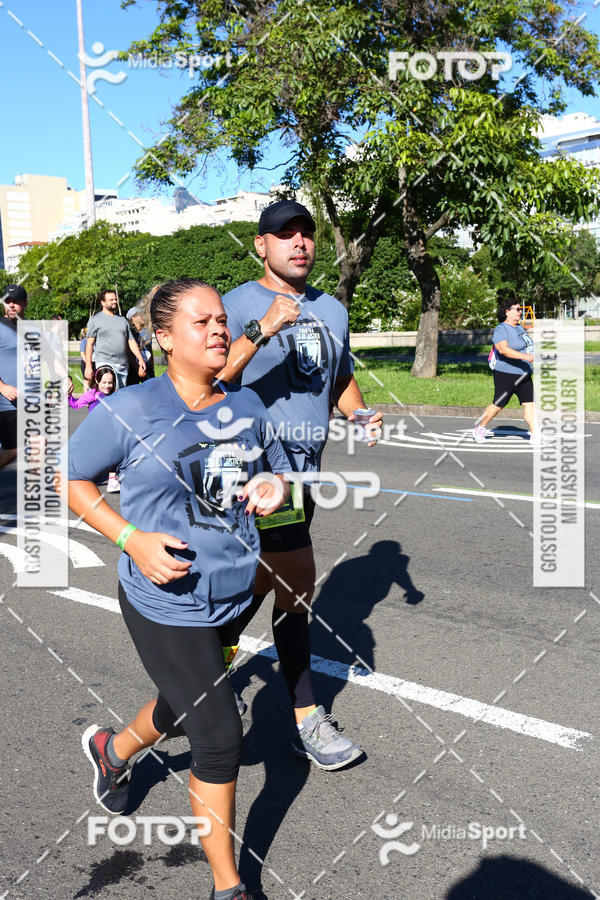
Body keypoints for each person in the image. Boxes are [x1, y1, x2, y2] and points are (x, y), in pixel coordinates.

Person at [68, 278, 290, 900]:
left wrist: (272, 488)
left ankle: (113, 751)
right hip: (165, 599)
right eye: (202, 322)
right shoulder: (129, 409)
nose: (220, 329)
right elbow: (69, 478)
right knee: (219, 735)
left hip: (231, 594)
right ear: (163, 338)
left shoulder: (245, 407)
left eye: (222, 319)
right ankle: (228, 886)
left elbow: (263, 476)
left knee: (185, 704)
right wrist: (130, 538)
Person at [217, 199, 383, 770]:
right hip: (253, 474)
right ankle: (305, 716)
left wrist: (358, 414)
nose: (300, 243)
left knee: (265, 581)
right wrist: (264, 329)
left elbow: (339, 376)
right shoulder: (233, 305)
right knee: (295, 588)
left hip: (302, 475)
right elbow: (211, 377)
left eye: (307, 234)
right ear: (260, 245)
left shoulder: (333, 310)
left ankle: (210, 665)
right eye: (284, 234)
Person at [473, 295, 536, 443]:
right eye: (517, 309)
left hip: (524, 373)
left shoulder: (519, 328)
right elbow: (503, 350)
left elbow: (527, 346)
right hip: (506, 374)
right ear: (507, 312)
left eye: (520, 310)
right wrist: (525, 356)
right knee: (498, 405)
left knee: (530, 404)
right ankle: (480, 427)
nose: (520, 312)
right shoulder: (501, 329)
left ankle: (535, 434)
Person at [84, 289, 146, 389]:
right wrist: (88, 366)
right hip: (105, 362)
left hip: (122, 364)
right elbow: (89, 344)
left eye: (115, 299)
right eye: (111, 299)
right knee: (107, 392)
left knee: (119, 394)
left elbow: (131, 341)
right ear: (103, 302)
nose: (115, 301)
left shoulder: (122, 320)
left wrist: (140, 359)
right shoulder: (96, 320)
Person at [0, 284, 28, 470]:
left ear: (24, 303)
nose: (11, 305)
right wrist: (2, 387)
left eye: (15, 301)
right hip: (5, 404)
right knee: (15, 450)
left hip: (28, 402)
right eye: (7, 301)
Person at [126, 305, 155, 385]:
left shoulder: (147, 333)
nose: (143, 317)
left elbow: (150, 350)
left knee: (151, 388)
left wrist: (151, 366)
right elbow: (129, 353)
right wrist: (137, 367)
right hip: (134, 367)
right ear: (133, 318)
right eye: (140, 315)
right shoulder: (130, 333)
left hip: (147, 366)